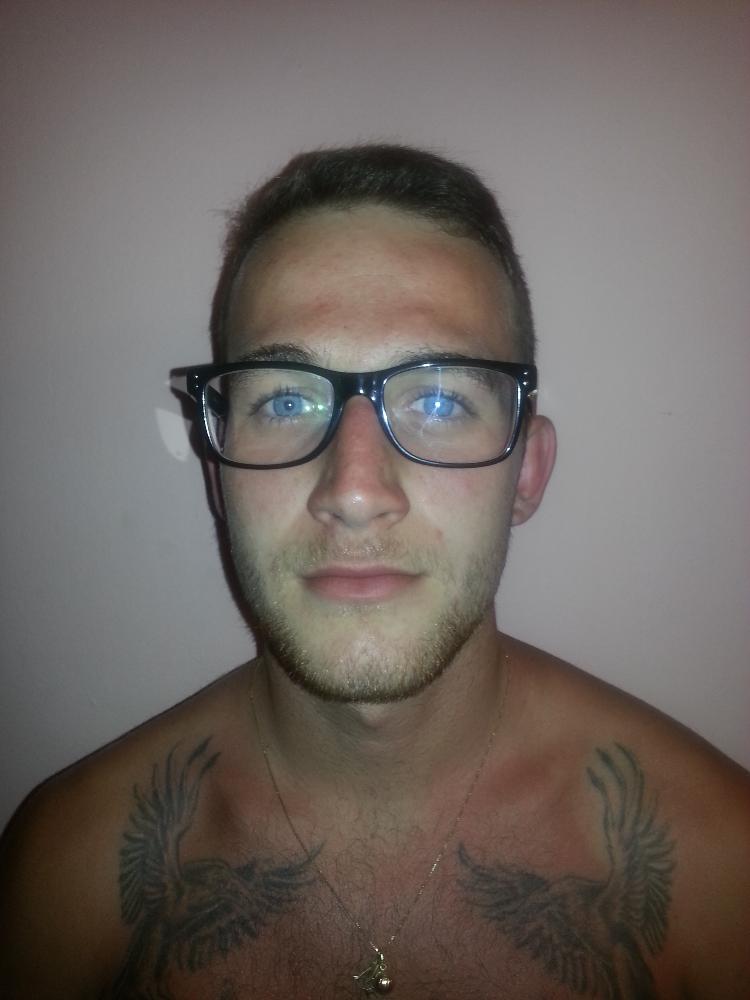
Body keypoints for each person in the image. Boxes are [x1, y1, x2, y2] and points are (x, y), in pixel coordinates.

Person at [1, 144, 748, 1000]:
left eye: (439, 399)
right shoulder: (61, 878)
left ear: (527, 475)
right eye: (286, 399)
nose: (355, 492)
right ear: (216, 477)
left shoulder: (724, 879)